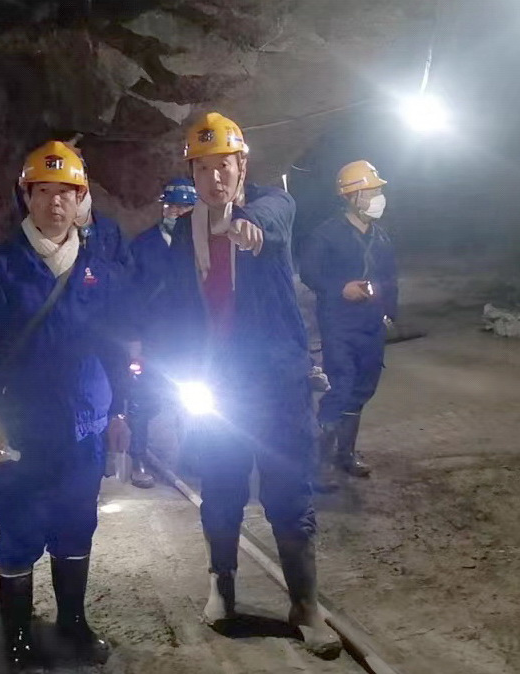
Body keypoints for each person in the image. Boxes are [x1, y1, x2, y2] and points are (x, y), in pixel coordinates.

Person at [137, 112, 341, 657]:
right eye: (203, 169)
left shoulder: (273, 205)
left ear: (242, 166)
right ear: (192, 173)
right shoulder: (185, 233)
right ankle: (221, 587)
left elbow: (271, 220)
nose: (215, 179)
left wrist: (249, 227)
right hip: (218, 385)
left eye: (223, 166)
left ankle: (305, 604)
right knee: (221, 489)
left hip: (278, 386)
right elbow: (175, 307)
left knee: (288, 494)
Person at [0, 140, 131, 670]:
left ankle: (72, 625)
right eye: (44, 192)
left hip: (84, 426)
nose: (56, 203)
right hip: (20, 429)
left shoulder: (99, 269)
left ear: (81, 200)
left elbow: (115, 347)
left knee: (76, 524)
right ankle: (17, 639)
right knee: (20, 530)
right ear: (26, 197)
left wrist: (121, 411)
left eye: (67, 193)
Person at [299, 160, 397, 479]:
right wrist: (340, 288)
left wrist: (389, 313)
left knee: (362, 389)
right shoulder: (326, 235)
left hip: (371, 325)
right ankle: (319, 465)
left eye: (379, 190)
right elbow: (310, 272)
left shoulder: (380, 237)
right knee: (340, 386)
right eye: (372, 191)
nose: (378, 197)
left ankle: (346, 455)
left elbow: (390, 278)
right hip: (339, 324)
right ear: (352, 196)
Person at [126, 177, 199, 488]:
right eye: (172, 206)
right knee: (143, 400)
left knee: (194, 400)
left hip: (190, 339)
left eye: (185, 207)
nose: (177, 212)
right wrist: (133, 339)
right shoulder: (143, 246)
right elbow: (129, 294)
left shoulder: (203, 244)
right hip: (152, 338)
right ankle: (138, 457)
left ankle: (192, 455)